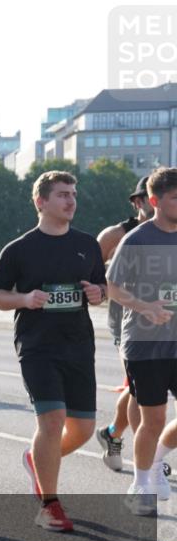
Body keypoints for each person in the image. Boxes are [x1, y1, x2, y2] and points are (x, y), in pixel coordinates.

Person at [0, 171, 106, 532]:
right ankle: (49, 505)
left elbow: (101, 286)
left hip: (79, 345)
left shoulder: (87, 244)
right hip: (38, 346)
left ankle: (34, 458)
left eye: (73, 194)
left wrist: (99, 294)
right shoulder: (20, 248)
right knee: (52, 421)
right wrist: (24, 299)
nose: (70, 201)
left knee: (84, 429)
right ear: (41, 202)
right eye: (62, 195)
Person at [106, 166, 177, 515]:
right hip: (144, 343)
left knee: (159, 423)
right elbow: (112, 286)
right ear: (155, 200)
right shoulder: (136, 239)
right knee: (153, 419)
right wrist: (145, 306)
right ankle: (141, 483)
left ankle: (157, 462)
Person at [95, 175, 154, 471]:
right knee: (141, 387)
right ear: (139, 201)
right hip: (128, 321)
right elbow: (90, 272)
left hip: (167, 321)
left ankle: (113, 433)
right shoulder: (116, 235)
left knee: (138, 387)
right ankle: (149, 458)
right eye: (154, 195)